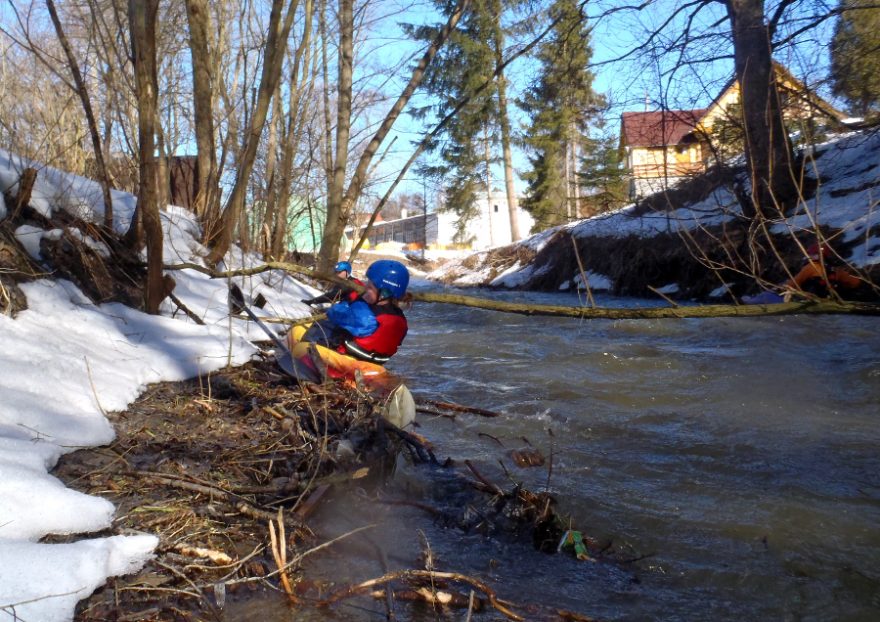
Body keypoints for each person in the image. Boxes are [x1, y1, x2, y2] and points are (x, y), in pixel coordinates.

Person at [288, 259, 410, 381]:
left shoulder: (365, 314)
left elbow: (334, 312)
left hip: (351, 364)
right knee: (310, 328)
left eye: (370, 287)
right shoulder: (400, 319)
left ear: (384, 293)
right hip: (373, 365)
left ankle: (327, 374)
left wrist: (354, 304)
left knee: (297, 335)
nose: (365, 287)